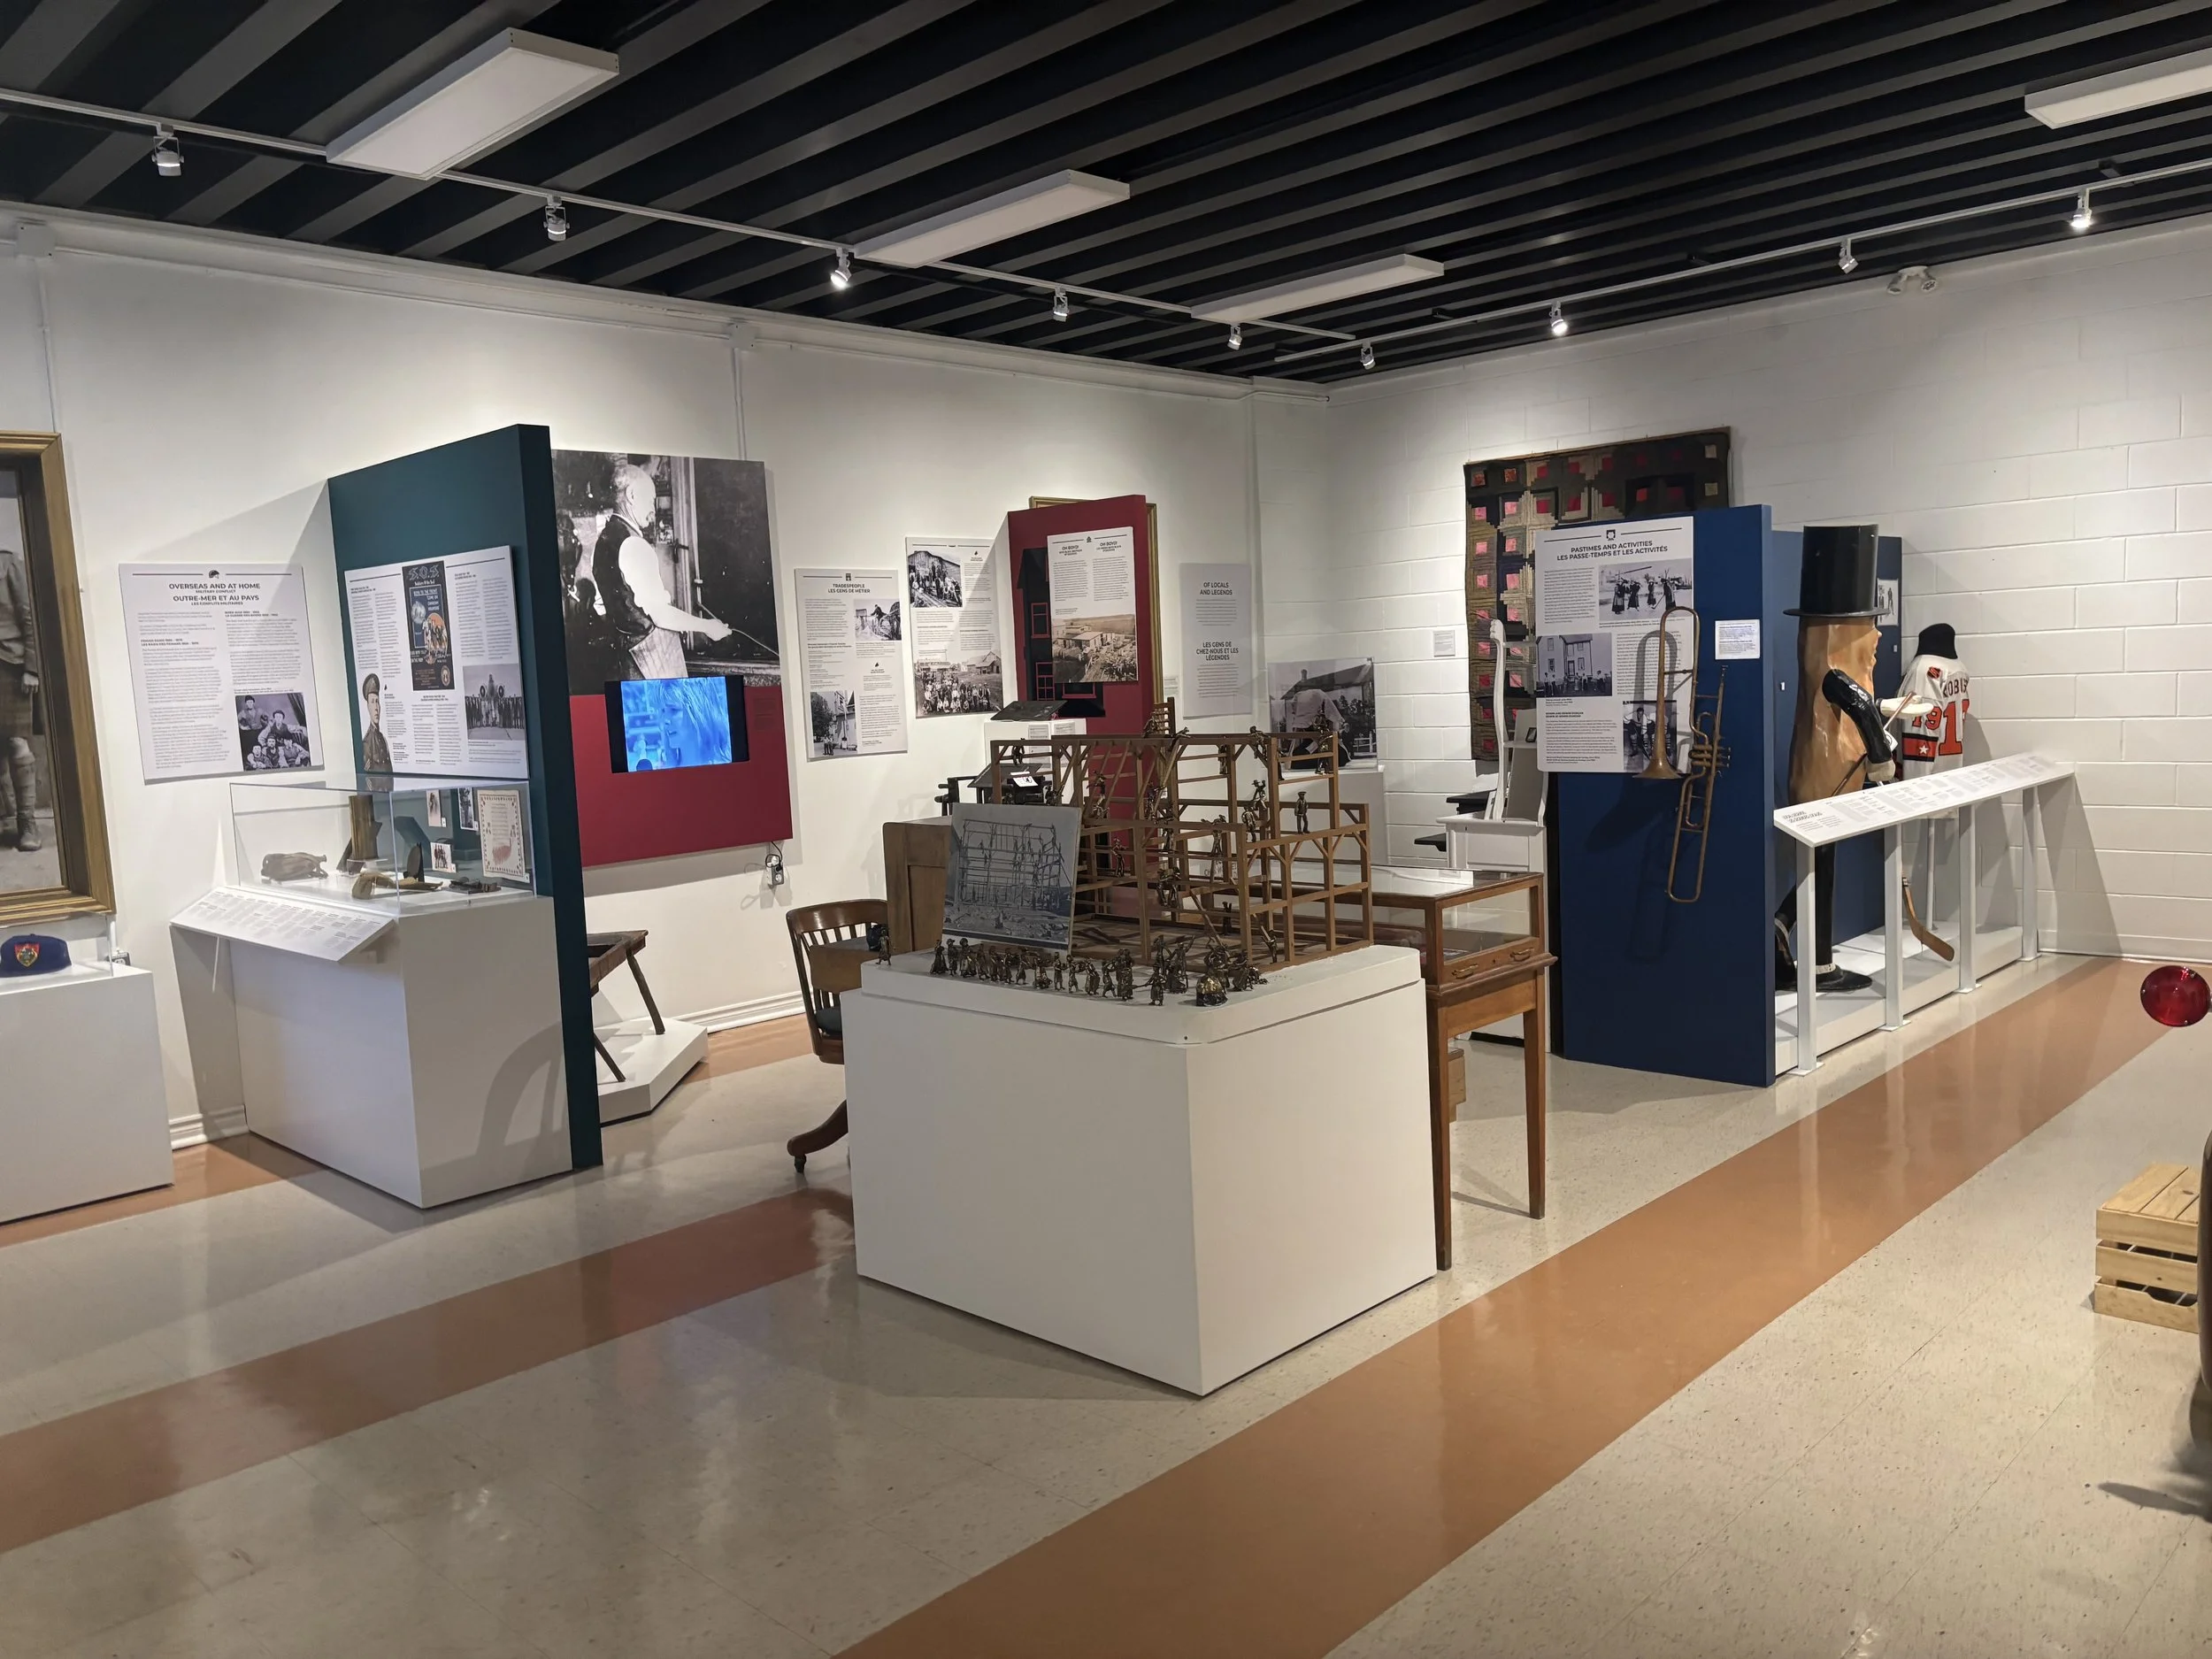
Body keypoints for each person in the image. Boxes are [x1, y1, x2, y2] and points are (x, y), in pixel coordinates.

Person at [591, 464, 729, 679]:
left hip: (627, 658)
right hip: (652, 660)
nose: (653, 510)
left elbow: (601, 607)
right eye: (650, 500)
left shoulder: (602, 542)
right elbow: (661, 615)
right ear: (632, 495)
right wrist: (708, 626)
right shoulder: (634, 545)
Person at [0, 541, 39, 853]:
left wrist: (31, 667)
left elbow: (29, 615)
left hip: (9, 665)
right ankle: (6, 815)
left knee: (16, 742)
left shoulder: (8, 563)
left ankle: (27, 823)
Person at [359, 672, 394, 772]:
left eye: (377, 702)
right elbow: (368, 778)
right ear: (368, 707)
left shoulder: (383, 740)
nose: (376, 708)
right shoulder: (367, 744)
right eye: (372, 702)